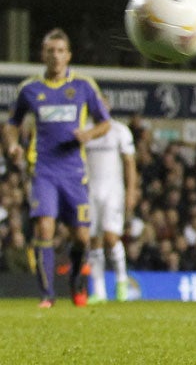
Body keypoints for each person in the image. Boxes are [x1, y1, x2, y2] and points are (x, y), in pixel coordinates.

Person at [2, 29, 111, 307]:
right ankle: (47, 296)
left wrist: (88, 135)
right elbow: (12, 123)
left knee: (82, 237)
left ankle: (76, 282)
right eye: (50, 51)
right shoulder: (30, 89)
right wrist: (13, 145)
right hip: (43, 169)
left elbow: (105, 122)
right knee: (44, 228)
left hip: (74, 171)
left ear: (69, 55)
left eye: (61, 51)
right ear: (43, 54)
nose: (55, 56)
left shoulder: (84, 86)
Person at [85, 117, 137, 303]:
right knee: (93, 240)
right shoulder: (86, 130)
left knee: (110, 237)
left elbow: (130, 163)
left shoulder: (119, 130)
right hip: (90, 191)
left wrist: (131, 190)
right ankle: (99, 291)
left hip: (113, 192)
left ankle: (121, 281)